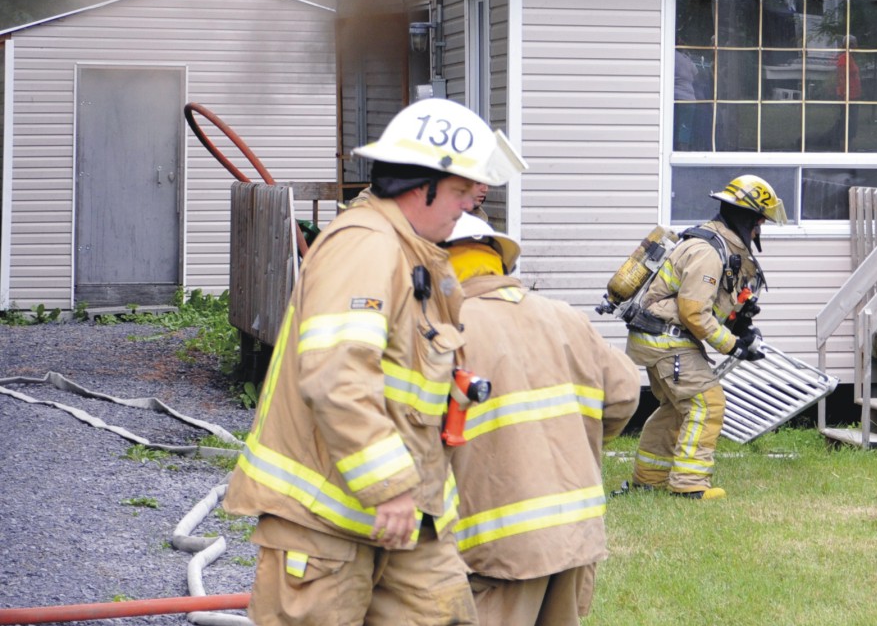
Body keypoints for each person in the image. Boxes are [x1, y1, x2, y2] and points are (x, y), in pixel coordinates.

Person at [224, 97, 526, 626]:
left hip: (409, 519)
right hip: (328, 521)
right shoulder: (365, 245)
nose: (468, 209)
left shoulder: (414, 252)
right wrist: (390, 486)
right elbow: (337, 375)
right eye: (459, 192)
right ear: (420, 184)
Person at [438, 215, 640, 626]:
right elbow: (623, 394)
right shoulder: (565, 317)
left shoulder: (446, 332)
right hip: (574, 532)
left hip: (494, 545)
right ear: (497, 260)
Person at [621, 174, 783, 500]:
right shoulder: (709, 251)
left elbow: (709, 305)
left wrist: (740, 329)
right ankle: (688, 487)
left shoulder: (717, 244)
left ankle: (648, 480)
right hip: (667, 339)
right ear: (747, 217)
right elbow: (694, 311)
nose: (758, 231)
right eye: (758, 223)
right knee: (707, 404)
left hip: (658, 338)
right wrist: (733, 346)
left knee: (675, 409)